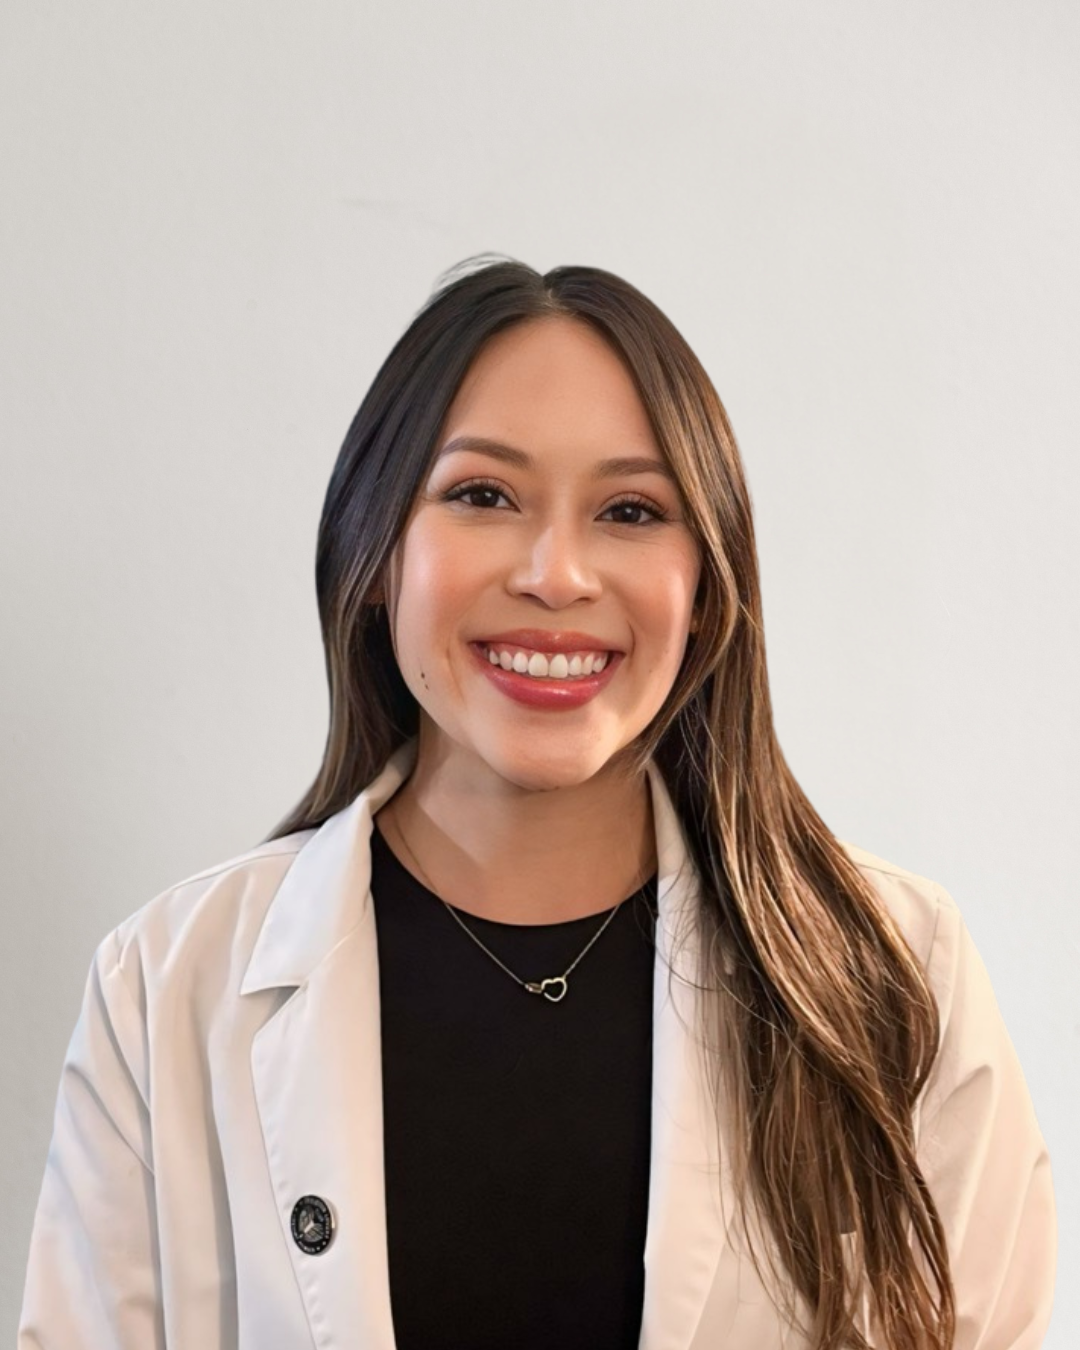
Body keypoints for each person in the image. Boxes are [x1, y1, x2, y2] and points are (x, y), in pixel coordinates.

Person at [18, 256, 1056, 1350]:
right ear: (375, 553)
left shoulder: (895, 973)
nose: (558, 574)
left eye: (630, 509)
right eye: (483, 495)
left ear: (705, 588)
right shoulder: (168, 988)